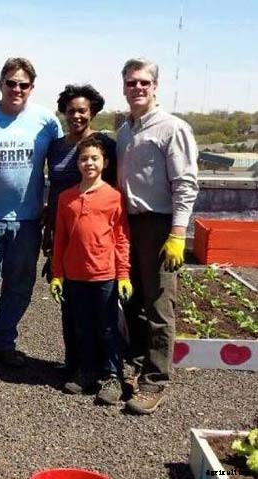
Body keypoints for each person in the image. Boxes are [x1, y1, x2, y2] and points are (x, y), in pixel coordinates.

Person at [116, 57, 199, 415]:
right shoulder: (125, 131)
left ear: (155, 87)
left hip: (159, 225)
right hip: (128, 224)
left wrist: (178, 232)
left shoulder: (172, 128)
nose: (137, 88)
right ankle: (137, 364)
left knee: (160, 305)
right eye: (132, 82)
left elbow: (186, 184)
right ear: (123, 86)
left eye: (144, 83)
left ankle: (156, 380)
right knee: (132, 300)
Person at [0, 58, 63, 367]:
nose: (17, 89)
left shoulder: (46, 122)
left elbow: (61, 165)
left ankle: (4, 340)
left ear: (32, 88)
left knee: (20, 284)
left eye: (23, 84)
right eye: (11, 83)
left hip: (27, 220)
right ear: (1, 84)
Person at [49, 137, 132, 405]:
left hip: (104, 275)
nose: (89, 163)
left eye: (94, 158)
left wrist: (123, 275)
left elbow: (121, 238)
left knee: (107, 328)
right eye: (84, 159)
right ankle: (85, 370)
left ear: (104, 162)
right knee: (81, 326)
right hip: (74, 276)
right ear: (77, 163)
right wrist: (58, 274)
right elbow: (60, 238)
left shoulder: (114, 197)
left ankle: (112, 375)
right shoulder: (66, 198)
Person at [43, 84, 117, 375]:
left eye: (82, 111)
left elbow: (112, 192)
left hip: (96, 236)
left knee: (102, 307)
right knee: (70, 303)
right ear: (64, 112)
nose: (76, 116)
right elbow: (53, 188)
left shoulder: (104, 145)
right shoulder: (57, 147)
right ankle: (77, 363)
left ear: (92, 112)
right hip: (62, 229)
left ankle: (107, 368)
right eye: (71, 110)